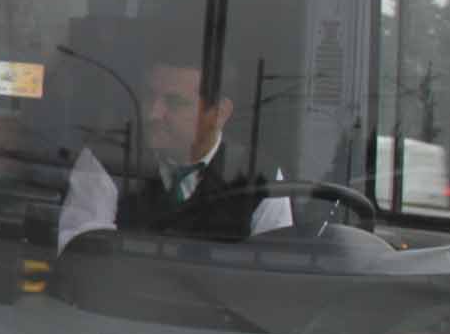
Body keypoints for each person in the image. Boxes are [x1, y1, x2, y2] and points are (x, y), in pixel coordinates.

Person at [55, 29, 292, 250]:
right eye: (150, 96)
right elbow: (84, 259)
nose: (152, 114)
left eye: (175, 103)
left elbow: (274, 274)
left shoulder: (261, 176)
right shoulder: (107, 159)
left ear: (219, 113)